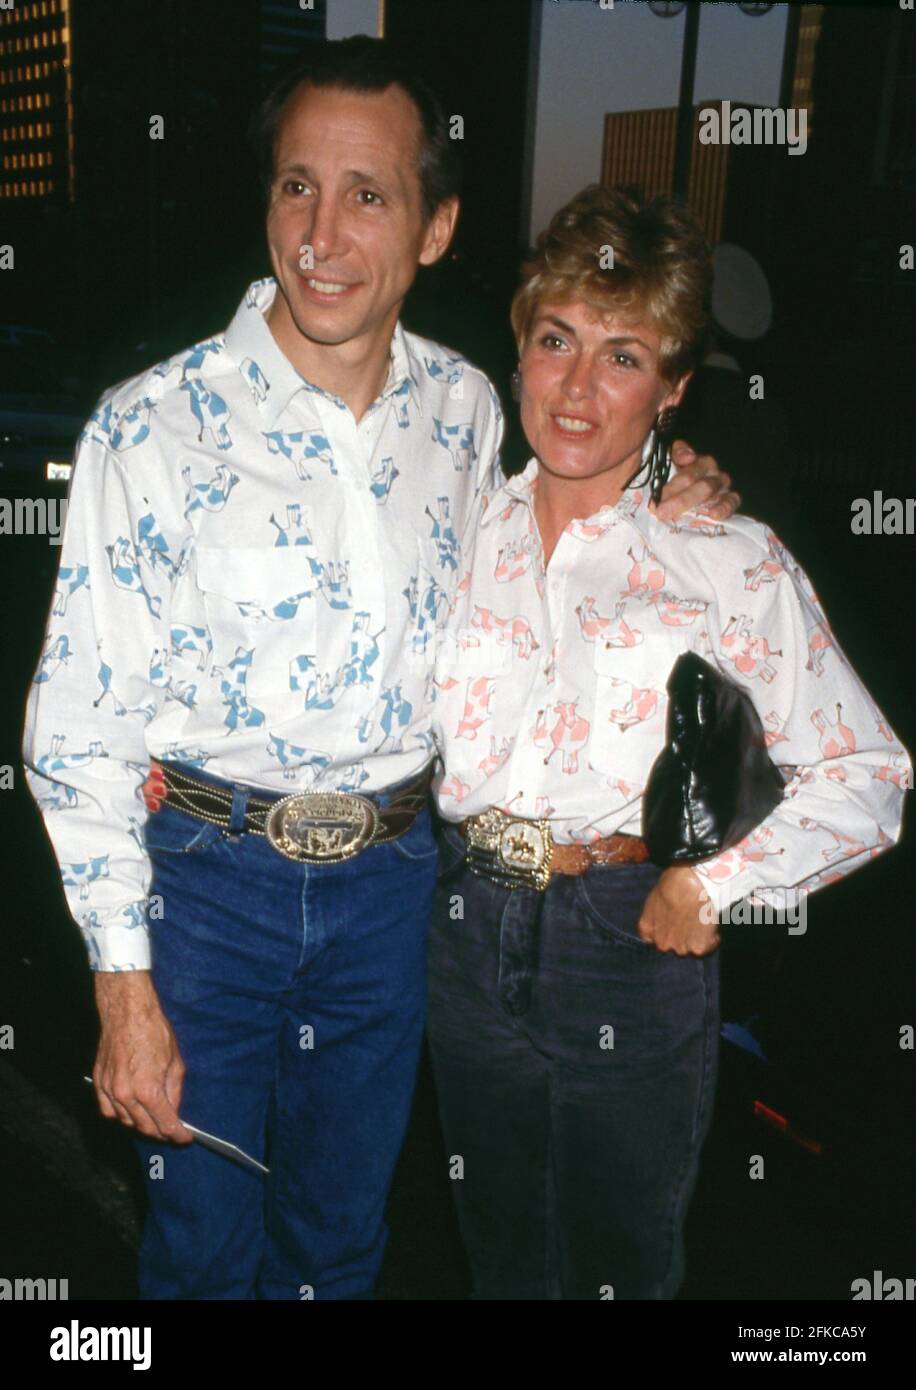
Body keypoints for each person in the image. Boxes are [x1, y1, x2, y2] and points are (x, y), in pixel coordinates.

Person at [23, 41, 736, 1301]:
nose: (322, 233)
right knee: (200, 1254)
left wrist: (673, 478)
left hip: (397, 896)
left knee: (341, 1246)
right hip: (207, 896)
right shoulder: (149, 427)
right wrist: (122, 984)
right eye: (297, 186)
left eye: (368, 194)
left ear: (436, 224)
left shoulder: (466, 411)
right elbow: (77, 726)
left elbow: (574, 485)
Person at [426, 184, 910, 1301]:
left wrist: (716, 886)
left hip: (629, 940)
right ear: (518, 346)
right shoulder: (456, 530)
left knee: (616, 1269)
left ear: (674, 388)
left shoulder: (723, 557)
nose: (579, 387)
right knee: (498, 1256)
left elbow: (869, 772)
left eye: (624, 356)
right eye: (557, 341)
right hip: (459, 925)